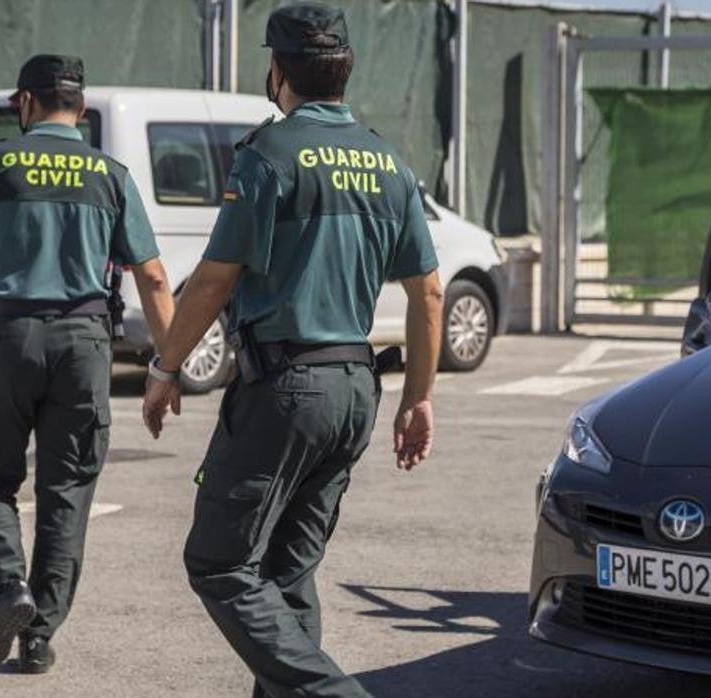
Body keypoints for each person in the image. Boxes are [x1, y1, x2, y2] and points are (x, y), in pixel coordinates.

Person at [141, 3, 444, 696]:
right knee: (286, 573)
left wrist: (165, 367)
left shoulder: (269, 155)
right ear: (345, 70)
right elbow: (428, 294)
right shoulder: (387, 162)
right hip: (354, 389)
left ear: (278, 70)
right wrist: (419, 398)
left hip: (285, 390)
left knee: (219, 563)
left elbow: (216, 278)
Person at [0, 54, 174, 675]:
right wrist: (168, 365)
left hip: (7, 337)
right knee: (67, 491)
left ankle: (8, 588)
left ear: (24, 103)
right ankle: (40, 634)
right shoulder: (110, 175)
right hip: (84, 343)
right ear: (79, 106)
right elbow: (153, 277)